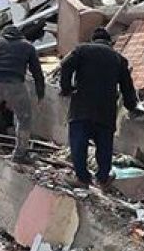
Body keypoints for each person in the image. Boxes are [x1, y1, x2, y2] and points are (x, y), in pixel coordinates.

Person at [59, 27, 139, 187]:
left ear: (93, 40)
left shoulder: (82, 50)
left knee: (78, 143)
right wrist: (132, 106)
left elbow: (65, 64)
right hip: (105, 110)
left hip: (82, 106)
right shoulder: (118, 59)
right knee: (104, 146)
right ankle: (103, 178)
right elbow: (127, 87)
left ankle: (82, 178)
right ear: (110, 42)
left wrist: (67, 88)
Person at [0, 24, 45, 165]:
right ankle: (20, 153)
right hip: (15, 83)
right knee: (24, 117)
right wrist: (40, 95)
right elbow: (37, 73)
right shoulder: (27, 46)